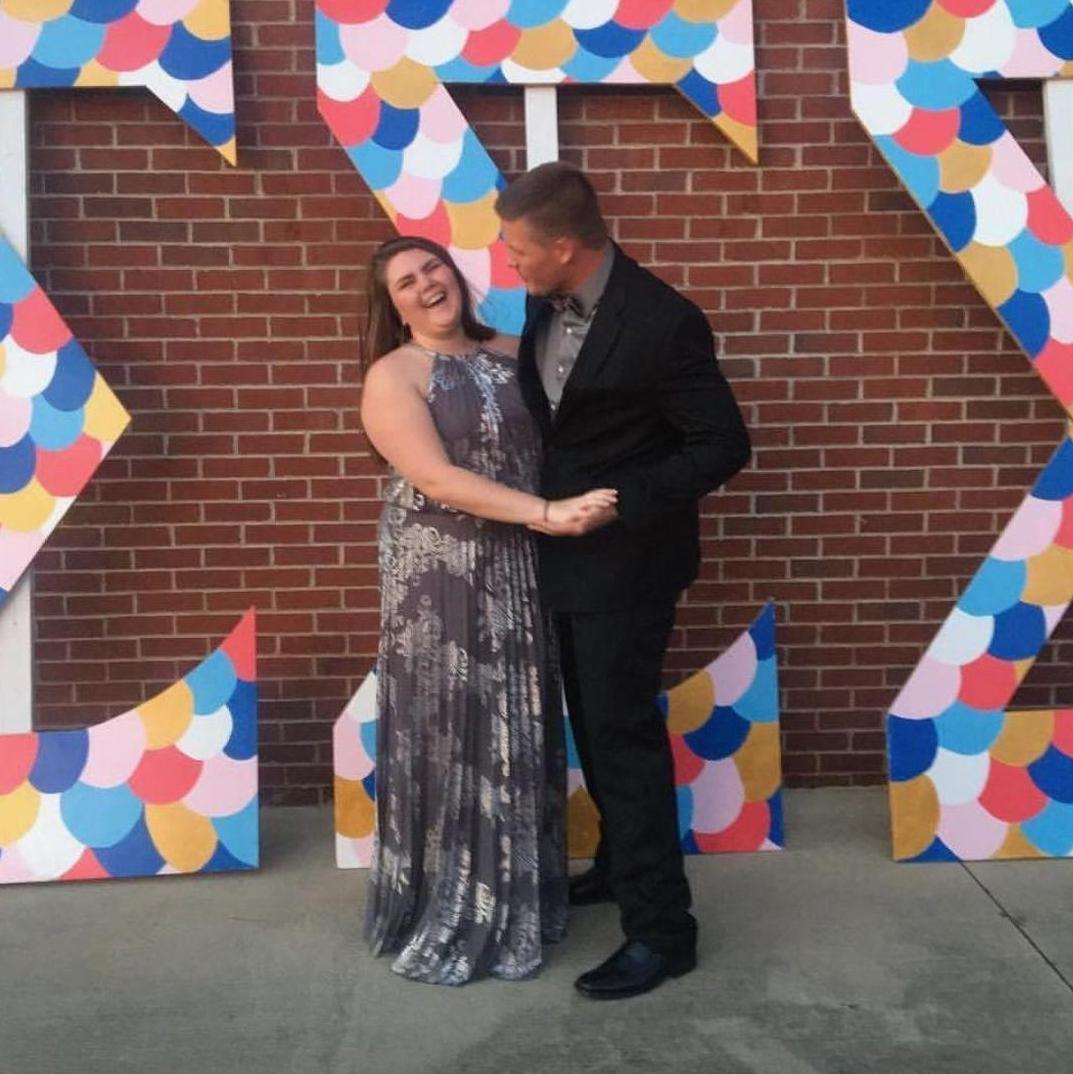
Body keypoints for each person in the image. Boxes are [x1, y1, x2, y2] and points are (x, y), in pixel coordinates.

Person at [495, 163, 751, 999]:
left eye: (517, 249)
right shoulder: (543, 303)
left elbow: (722, 445)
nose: (508, 262)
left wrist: (620, 503)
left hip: (630, 564)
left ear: (565, 247)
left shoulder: (663, 320)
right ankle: (615, 863)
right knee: (597, 727)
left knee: (622, 740)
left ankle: (661, 932)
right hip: (564, 563)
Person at [358, 235, 617, 985]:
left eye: (431, 268)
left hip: (521, 562)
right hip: (437, 575)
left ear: (453, 272)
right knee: (455, 723)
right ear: (393, 306)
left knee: (515, 719)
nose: (426, 285)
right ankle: (451, 900)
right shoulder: (393, 375)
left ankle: (516, 895)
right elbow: (437, 479)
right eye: (406, 283)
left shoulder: (516, 350)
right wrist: (548, 513)